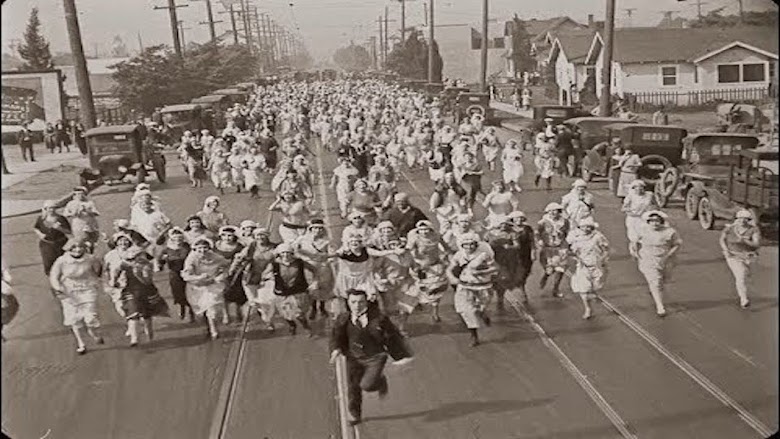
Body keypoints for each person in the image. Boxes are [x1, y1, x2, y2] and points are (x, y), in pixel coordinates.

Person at [329, 289, 413, 426]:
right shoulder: (343, 318)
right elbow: (336, 335)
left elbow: (392, 337)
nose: (357, 306)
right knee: (353, 386)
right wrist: (336, 349)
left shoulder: (379, 319)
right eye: (353, 302)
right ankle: (355, 414)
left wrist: (401, 355)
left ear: (367, 302)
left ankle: (380, 382)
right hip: (353, 357)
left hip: (375, 357)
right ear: (348, 303)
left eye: (361, 302)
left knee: (367, 385)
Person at [49, 239, 104, 354]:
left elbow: (98, 271)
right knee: (74, 319)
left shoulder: (91, 259)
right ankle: (81, 343)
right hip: (69, 291)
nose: (77, 250)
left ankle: (94, 333)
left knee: (90, 318)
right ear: (68, 248)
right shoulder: (62, 261)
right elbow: (54, 276)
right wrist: (58, 288)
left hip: (87, 289)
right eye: (73, 247)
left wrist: (97, 281)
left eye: (80, 247)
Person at [447, 232, 498, 347]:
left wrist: (482, 272)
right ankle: (474, 335)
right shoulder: (459, 255)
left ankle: (483, 313)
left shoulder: (484, 255)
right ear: (462, 245)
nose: (469, 247)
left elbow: (495, 267)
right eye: (466, 244)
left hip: (483, 286)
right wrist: (452, 278)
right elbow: (450, 269)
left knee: (480, 308)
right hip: (465, 286)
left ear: (476, 244)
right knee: (465, 310)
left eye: (472, 244)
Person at [631, 210, 682, 317]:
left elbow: (677, 244)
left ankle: (656, 291)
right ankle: (660, 305)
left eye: (657, 221)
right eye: (652, 221)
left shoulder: (670, 231)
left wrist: (669, 255)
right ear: (648, 222)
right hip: (648, 259)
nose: (654, 223)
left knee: (664, 280)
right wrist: (635, 252)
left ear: (661, 221)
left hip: (666, 260)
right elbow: (634, 242)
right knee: (656, 281)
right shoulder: (642, 230)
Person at [115, 247, 170, 345]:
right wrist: (114, 280)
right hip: (131, 291)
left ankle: (149, 334)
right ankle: (134, 339)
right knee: (133, 314)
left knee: (146, 315)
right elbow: (116, 272)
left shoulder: (147, 265)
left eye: (139, 255)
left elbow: (147, 282)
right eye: (134, 256)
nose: (136, 258)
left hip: (146, 292)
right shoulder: (124, 264)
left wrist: (138, 275)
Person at [181, 237, 230, 339]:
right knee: (200, 312)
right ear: (195, 249)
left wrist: (221, 276)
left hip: (212, 286)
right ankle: (207, 326)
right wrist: (198, 277)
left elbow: (227, 265)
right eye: (199, 248)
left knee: (212, 309)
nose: (202, 251)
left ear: (209, 248)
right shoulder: (191, 258)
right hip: (196, 287)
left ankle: (214, 330)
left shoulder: (216, 257)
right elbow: (186, 276)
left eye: (205, 248)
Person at [292, 219, 336, 321]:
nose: (317, 230)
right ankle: (313, 308)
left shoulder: (327, 241)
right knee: (311, 287)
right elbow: (294, 251)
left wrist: (327, 259)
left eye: (320, 228)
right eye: (315, 228)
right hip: (308, 266)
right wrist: (302, 258)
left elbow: (332, 254)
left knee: (323, 287)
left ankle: (322, 307)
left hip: (323, 267)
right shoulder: (302, 239)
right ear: (311, 229)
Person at [488, 211, 535, 306]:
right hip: (496, 258)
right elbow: (485, 245)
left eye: (505, 224)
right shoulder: (490, 233)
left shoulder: (512, 233)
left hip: (509, 259)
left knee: (512, 277)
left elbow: (517, 245)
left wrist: (509, 247)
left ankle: (522, 294)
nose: (503, 226)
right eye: (501, 224)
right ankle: (499, 298)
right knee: (497, 279)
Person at [567, 218, 610, 320]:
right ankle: (588, 308)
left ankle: (593, 295)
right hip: (583, 266)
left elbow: (606, 249)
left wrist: (603, 259)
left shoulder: (598, 237)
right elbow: (570, 250)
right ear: (580, 228)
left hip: (597, 265)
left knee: (596, 286)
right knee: (584, 289)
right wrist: (572, 255)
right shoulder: (576, 238)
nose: (586, 229)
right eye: (584, 227)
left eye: (588, 227)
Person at [269, 242, 316, 336]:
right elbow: (265, 274)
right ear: (279, 254)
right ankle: (292, 325)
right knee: (285, 313)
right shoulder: (275, 264)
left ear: (292, 253)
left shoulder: (299, 262)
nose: (286, 255)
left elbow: (314, 269)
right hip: (282, 292)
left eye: (288, 252)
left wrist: (315, 282)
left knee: (299, 314)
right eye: (283, 253)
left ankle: (306, 326)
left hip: (298, 291)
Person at [719, 209, 761, 309]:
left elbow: (756, 244)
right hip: (733, 256)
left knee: (747, 276)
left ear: (748, 220)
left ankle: (744, 289)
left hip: (749, 256)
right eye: (740, 219)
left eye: (745, 219)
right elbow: (722, 239)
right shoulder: (729, 229)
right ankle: (744, 299)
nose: (742, 221)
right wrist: (725, 250)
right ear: (737, 219)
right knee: (740, 276)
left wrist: (745, 240)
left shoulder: (754, 230)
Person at [158, 227, 194, 321]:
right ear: (171, 238)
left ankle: (191, 311)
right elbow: (160, 262)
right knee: (177, 292)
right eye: (175, 238)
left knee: (189, 291)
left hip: (188, 272)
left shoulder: (187, 247)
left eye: (180, 238)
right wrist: (162, 261)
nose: (178, 240)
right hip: (174, 273)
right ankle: (181, 307)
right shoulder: (167, 249)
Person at [213, 226, 247, 324]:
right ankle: (226, 314)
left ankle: (238, 313)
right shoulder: (216, 246)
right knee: (224, 294)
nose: (227, 238)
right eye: (224, 235)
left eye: (230, 236)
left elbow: (243, 258)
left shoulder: (239, 247)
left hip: (236, 272)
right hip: (221, 272)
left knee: (238, 294)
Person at [537, 202, 570, 298]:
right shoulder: (543, 222)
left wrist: (568, 243)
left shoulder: (565, 221)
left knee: (560, 268)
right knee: (550, 269)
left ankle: (556, 288)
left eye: (555, 211)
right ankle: (545, 276)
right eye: (550, 211)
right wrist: (539, 240)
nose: (552, 213)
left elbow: (568, 233)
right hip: (548, 247)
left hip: (561, 247)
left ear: (559, 212)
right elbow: (537, 232)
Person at [34, 200, 72, 276]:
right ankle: (52, 278)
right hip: (47, 244)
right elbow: (36, 228)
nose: (51, 210)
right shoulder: (41, 218)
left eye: (53, 208)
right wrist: (40, 234)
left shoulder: (61, 218)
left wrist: (60, 228)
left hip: (61, 244)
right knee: (49, 263)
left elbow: (69, 231)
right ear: (45, 209)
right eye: (49, 208)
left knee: (63, 262)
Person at [621, 180, 657, 254]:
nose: (639, 190)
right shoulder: (630, 196)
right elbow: (623, 208)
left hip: (646, 218)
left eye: (641, 188)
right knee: (634, 237)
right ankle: (634, 251)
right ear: (634, 189)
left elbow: (656, 205)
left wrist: (655, 212)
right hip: (633, 219)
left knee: (645, 236)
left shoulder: (649, 195)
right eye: (637, 188)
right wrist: (632, 212)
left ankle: (644, 252)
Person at [62, 187, 100, 253]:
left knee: (92, 241)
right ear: (75, 195)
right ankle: (82, 253)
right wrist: (73, 213)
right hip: (78, 226)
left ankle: (91, 252)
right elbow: (65, 214)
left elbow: (97, 213)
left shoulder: (89, 203)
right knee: (81, 241)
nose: (80, 196)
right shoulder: (71, 203)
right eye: (78, 194)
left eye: (82, 194)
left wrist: (88, 211)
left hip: (90, 225)